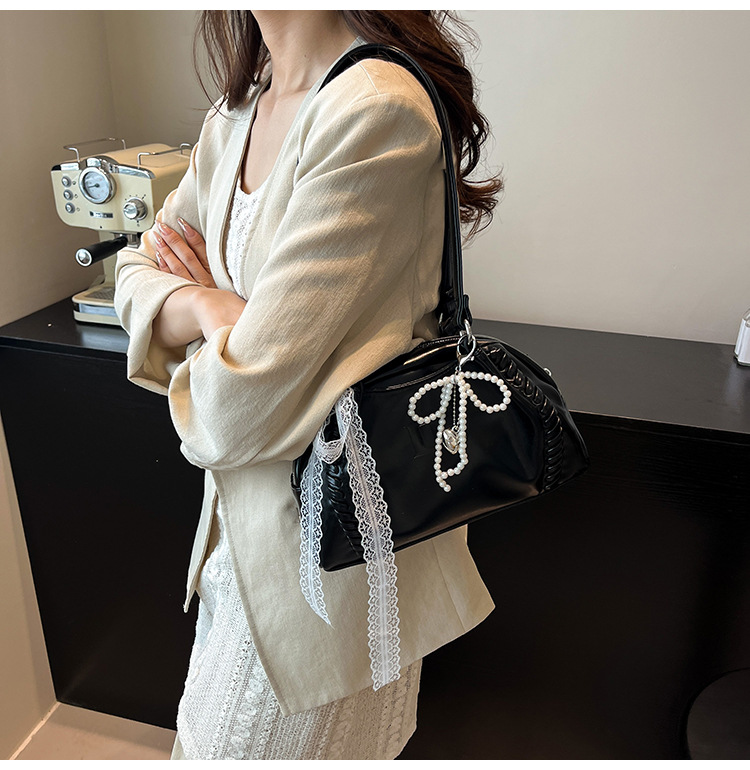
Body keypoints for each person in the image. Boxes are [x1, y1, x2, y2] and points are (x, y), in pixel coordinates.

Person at [114, 10, 503, 761]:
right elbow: (135, 267)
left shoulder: (375, 108)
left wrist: (198, 330)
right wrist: (207, 307)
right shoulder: (237, 111)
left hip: (326, 577)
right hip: (236, 553)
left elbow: (235, 412)